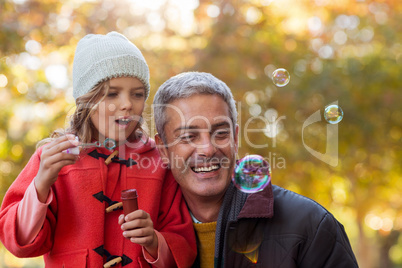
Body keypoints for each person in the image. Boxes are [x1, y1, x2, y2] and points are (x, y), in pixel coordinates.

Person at [0, 32, 196, 267]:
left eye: (138, 94)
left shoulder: (159, 160)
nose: (127, 104)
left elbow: (183, 246)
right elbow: (19, 241)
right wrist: (41, 184)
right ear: (86, 100)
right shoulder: (53, 159)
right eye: (112, 93)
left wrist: (154, 242)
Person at [153, 71, 359, 267]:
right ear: (163, 149)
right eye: (189, 136)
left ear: (235, 138)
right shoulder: (145, 233)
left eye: (221, 133)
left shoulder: (311, 226)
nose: (208, 149)